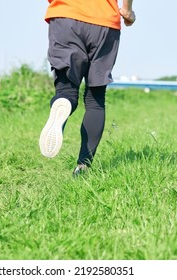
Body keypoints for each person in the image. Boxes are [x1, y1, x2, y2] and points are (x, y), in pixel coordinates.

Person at [39, 0, 136, 175]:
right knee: (95, 99)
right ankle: (83, 166)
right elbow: (126, 9)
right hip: (104, 22)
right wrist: (127, 10)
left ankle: (63, 102)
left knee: (66, 90)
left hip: (65, 16)